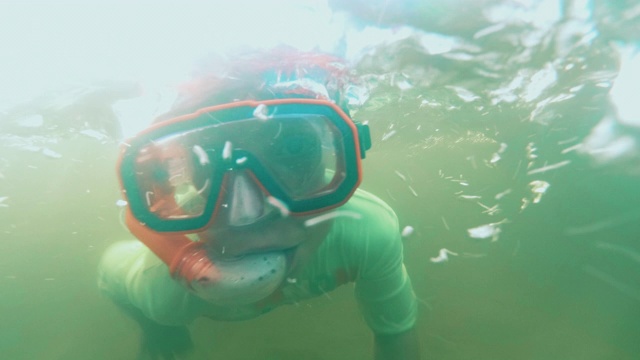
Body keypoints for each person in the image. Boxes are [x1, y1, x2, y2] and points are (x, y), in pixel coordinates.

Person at [98, 48, 420, 360]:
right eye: (208, 159)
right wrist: (153, 327)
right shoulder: (164, 295)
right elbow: (108, 274)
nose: (249, 215)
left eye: (294, 148)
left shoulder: (368, 231)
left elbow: (395, 336)